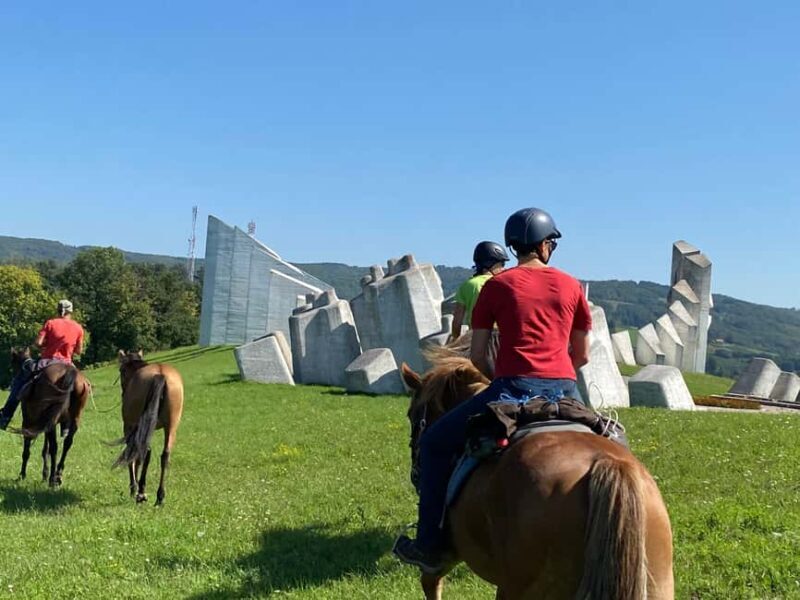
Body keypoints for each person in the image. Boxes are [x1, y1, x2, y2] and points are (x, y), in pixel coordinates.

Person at [393, 207, 592, 573]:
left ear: (515, 246)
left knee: (435, 444)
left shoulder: (496, 287)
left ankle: (429, 545)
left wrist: (499, 377)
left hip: (510, 388)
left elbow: (480, 356)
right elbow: (581, 355)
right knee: (610, 441)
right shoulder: (571, 286)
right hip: (566, 391)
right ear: (546, 245)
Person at [0, 299, 84, 430]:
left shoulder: (50, 323)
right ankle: (67, 424)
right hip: (67, 362)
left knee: (20, 380)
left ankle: (5, 416)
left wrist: (46, 345)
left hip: (47, 361)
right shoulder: (78, 328)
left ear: (58, 310)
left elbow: (38, 343)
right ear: (71, 311)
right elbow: (79, 351)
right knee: (84, 385)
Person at [449, 241, 508, 341]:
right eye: (501, 264)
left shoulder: (467, 285)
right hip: (501, 340)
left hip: (475, 339)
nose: (504, 268)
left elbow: (457, 323)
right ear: (490, 264)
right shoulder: (504, 284)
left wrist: (456, 341)